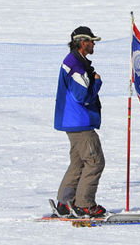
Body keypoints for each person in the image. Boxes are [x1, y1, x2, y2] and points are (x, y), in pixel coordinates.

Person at [54, 26, 106, 217]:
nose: (94, 44)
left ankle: (65, 203)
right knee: (95, 162)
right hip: (79, 122)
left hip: (73, 121)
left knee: (78, 164)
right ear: (83, 43)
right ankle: (84, 205)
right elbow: (82, 96)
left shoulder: (76, 61)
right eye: (92, 41)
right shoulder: (75, 64)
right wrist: (97, 83)